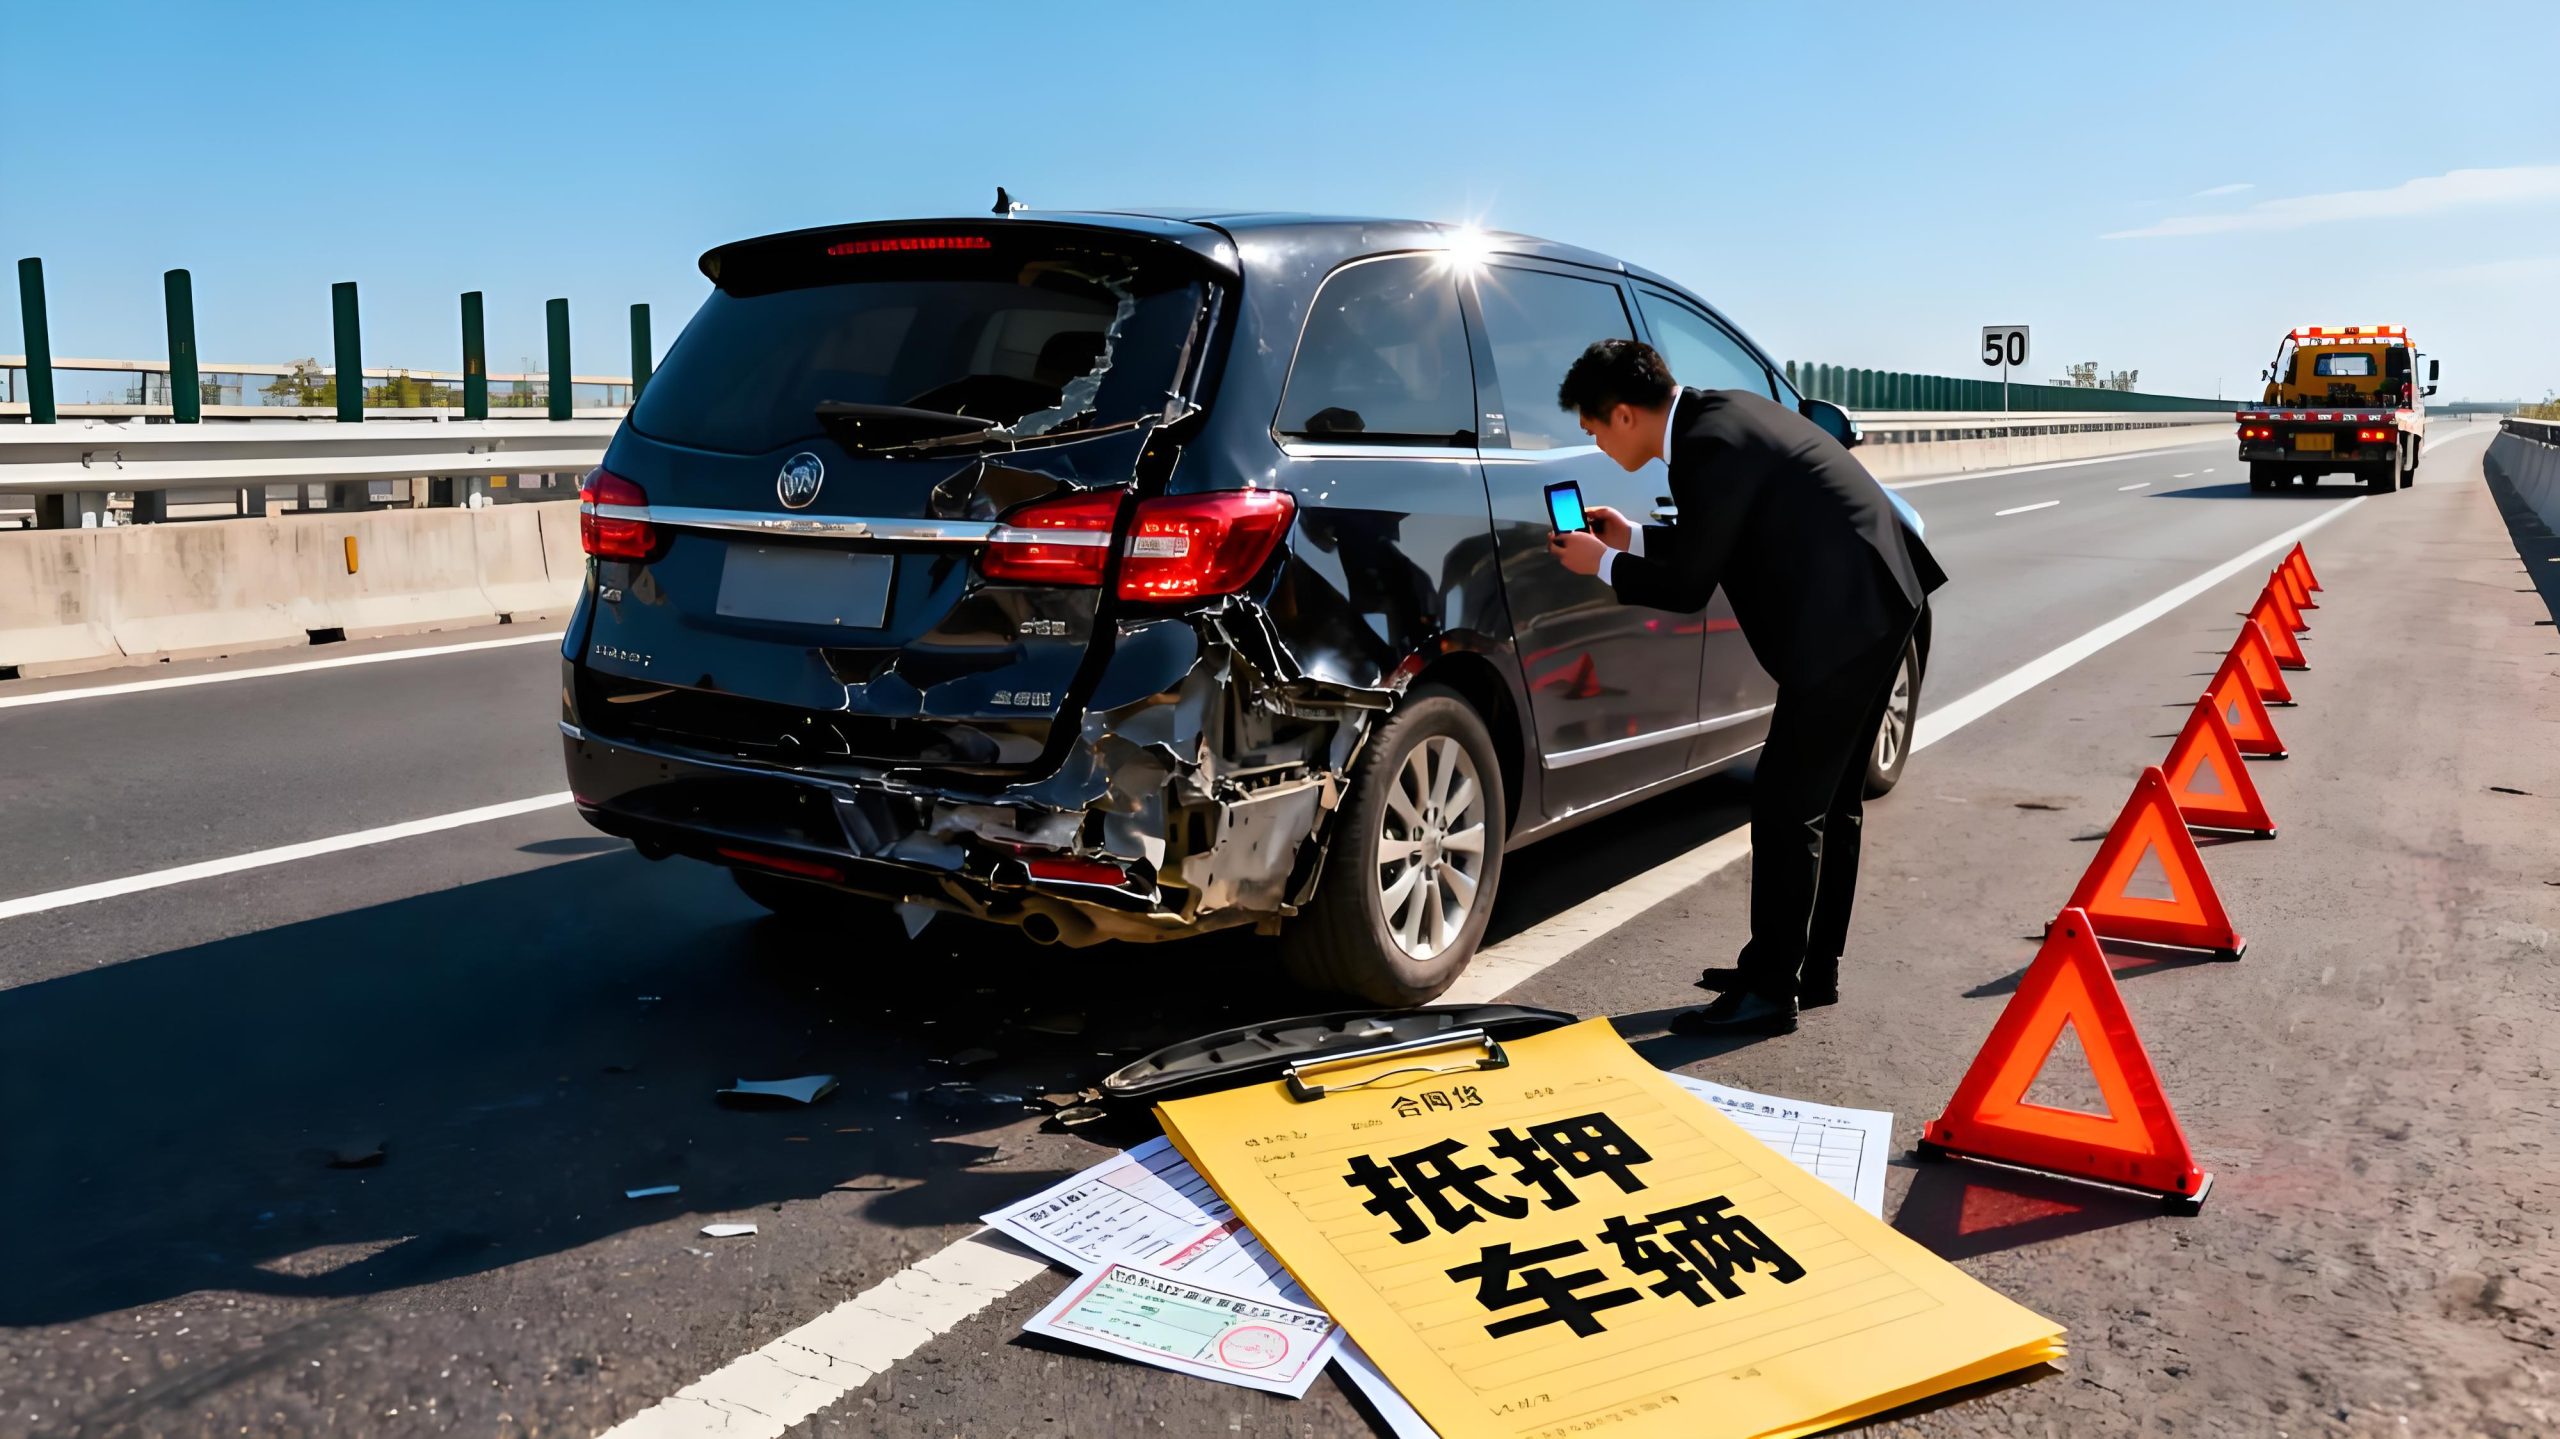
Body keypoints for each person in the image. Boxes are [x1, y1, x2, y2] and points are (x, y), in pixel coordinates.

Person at [1547, 340, 1945, 1035]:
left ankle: (1769, 989)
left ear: (1622, 414)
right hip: (1878, 597)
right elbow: (1715, 540)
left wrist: (1601, 562)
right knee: (1830, 801)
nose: (1599, 447)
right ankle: (1808, 967)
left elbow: (1689, 585)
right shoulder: (1718, 417)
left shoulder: (1706, 446)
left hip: (1848, 617)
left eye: (1594, 432)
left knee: (1787, 803)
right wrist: (1632, 537)